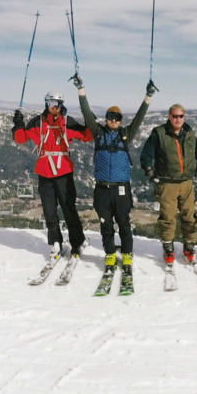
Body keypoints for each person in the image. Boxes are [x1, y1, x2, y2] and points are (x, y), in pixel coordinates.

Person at [72, 74, 156, 276]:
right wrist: (81, 89)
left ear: (120, 121)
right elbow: (86, 113)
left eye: (117, 118)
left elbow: (139, 117)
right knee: (105, 224)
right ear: (106, 119)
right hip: (102, 188)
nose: (113, 121)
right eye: (110, 117)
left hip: (121, 188)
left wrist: (148, 96)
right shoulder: (98, 133)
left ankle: (127, 253)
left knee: (124, 224)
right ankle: (109, 253)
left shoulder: (126, 135)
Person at [13, 91, 93, 260]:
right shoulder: (38, 123)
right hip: (44, 170)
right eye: (50, 103)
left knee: (68, 207)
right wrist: (18, 123)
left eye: (56, 104)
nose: (53, 107)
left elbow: (87, 136)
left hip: (63, 170)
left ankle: (77, 241)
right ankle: (55, 241)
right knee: (49, 210)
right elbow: (20, 138)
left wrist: (89, 118)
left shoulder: (66, 123)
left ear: (61, 105)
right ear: (46, 104)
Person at [140, 103, 197, 264]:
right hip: (167, 182)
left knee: (189, 216)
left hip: (186, 182)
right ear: (169, 117)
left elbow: (196, 149)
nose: (178, 119)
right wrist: (149, 171)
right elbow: (146, 154)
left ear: (184, 117)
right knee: (168, 217)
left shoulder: (190, 133)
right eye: (175, 116)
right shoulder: (159, 133)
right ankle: (168, 247)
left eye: (180, 116)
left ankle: (189, 246)